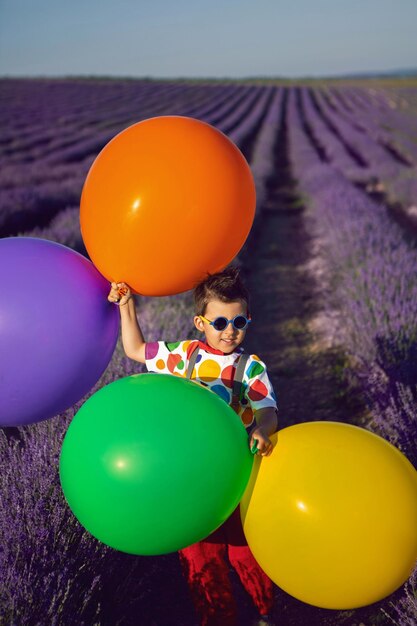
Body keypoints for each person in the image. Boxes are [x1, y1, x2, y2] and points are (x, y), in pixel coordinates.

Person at [108, 266, 278, 626]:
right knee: (201, 557)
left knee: (245, 550)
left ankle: (265, 610)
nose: (230, 331)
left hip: (236, 474)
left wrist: (262, 431)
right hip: (190, 478)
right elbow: (135, 349)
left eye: (239, 322)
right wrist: (126, 306)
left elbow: (267, 411)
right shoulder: (183, 356)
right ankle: (217, 619)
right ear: (200, 323)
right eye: (219, 323)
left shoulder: (250, 367)